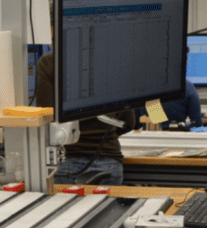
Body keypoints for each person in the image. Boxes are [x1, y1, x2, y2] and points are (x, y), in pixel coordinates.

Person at [34, 51, 136, 185]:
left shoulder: (49, 62)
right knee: (109, 206)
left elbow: (46, 117)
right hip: (108, 159)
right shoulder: (114, 62)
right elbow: (128, 122)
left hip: (67, 159)